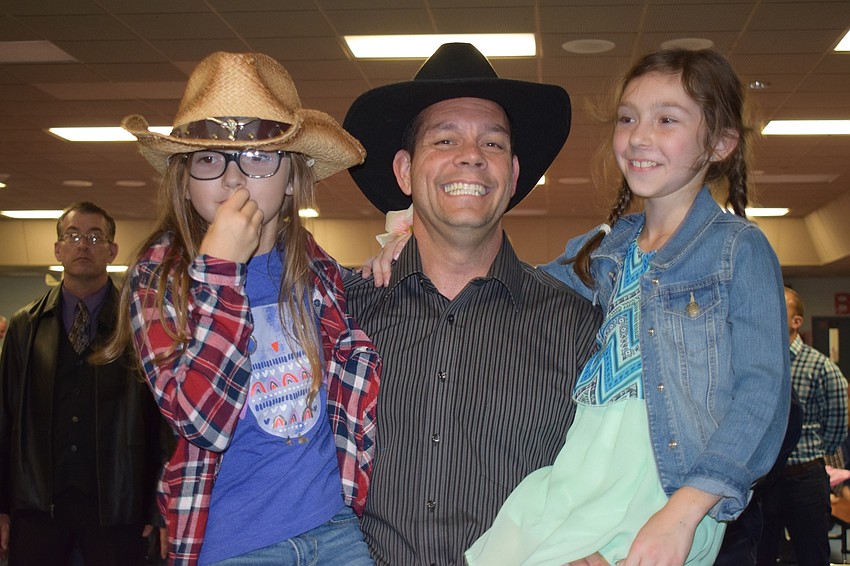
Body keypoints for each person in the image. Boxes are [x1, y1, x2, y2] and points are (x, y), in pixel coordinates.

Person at [458, 47, 791, 566]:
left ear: (721, 143)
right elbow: (508, 288)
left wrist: (682, 513)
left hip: (666, 487)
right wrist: (409, 236)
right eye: (628, 118)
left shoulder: (737, 250)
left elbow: (763, 396)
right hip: (582, 467)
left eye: (667, 120)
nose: (639, 136)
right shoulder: (606, 247)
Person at [102, 52, 382, 565]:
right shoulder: (160, 276)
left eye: (257, 157)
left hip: (334, 528)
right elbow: (201, 421)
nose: (233, 179)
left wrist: (395, 253)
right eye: (209, 159)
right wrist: (222, 271)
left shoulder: (314, 267)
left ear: (293, 178)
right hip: (236, 543)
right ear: (184, 179)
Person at [342, 42, 601, 565]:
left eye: (493, 142)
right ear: (403, 171)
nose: (472, 155)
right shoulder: (340, 317)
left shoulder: (579, 328)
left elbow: (607, 481)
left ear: (512, 172)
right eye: (445, 138)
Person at [0, 201, 164, 565]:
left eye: (94, 237)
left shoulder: (139, 325)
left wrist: (158, 505)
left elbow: (161, 423)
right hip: (38, 506)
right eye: (73, 236)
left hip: (118, 507)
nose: (83, 245)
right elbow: (4, 420)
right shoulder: (25, 326)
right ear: (58, 249)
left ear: (112, 250)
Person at [756, 286, 848, 566]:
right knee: (760, 555)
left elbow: (836, 424)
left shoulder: (821, 367)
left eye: (779, 308)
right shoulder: (758, 364)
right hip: (763, 479)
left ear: (796, 321)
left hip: (804, 477)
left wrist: (811, 454)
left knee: (811, 555)